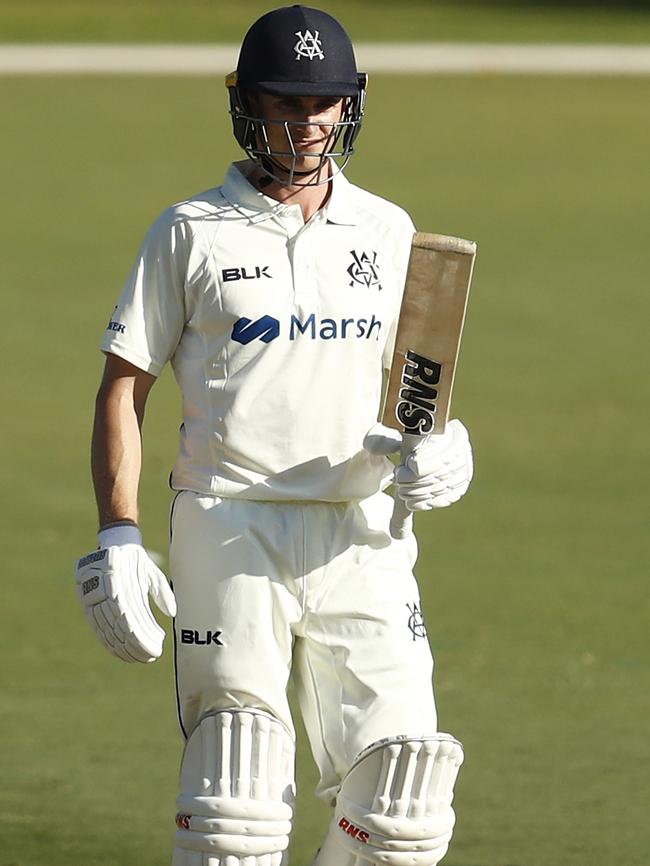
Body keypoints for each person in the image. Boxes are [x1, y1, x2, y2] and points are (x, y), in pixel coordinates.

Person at [75, 6, 474, 866]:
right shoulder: (188, 231)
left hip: (362, 535)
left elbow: (420, 393)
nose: (307, 121)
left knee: (406, 797)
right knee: (238, 788)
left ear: (349, 106)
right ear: (247, 104)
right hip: (231, 522)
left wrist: (444, 450)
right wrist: (118, 534)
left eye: (323, 102)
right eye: (286, 101)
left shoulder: (390, 230)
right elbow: (124, 386)